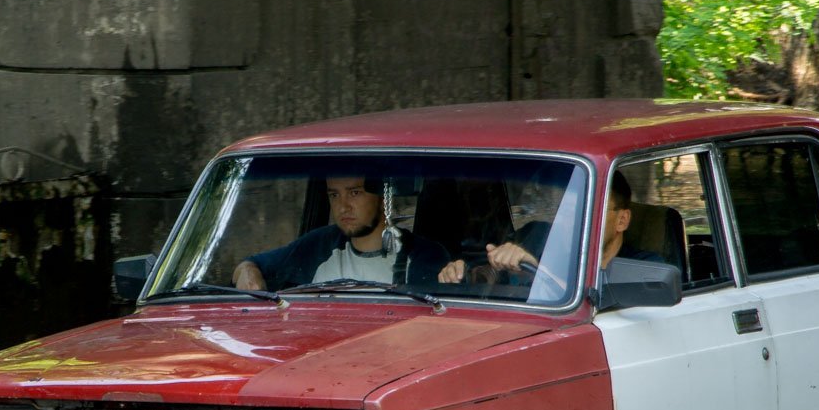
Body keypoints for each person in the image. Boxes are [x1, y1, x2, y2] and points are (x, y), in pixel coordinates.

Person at [436, 171, 660, 284]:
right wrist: (461, 273)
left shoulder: (646, 267)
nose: (571, 221)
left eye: (587, 211)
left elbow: (597, 305)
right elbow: (490, 276)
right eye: (566, 211)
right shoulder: (537, 238)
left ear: (622, 220)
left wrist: (537, 271)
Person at [233, 176, 449, 290]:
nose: (343, 206)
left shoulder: (424, 255)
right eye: (334, 195)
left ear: (382, 196)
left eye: (354, 193)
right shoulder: (319, 245)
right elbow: (252, 264)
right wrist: (247, 271)